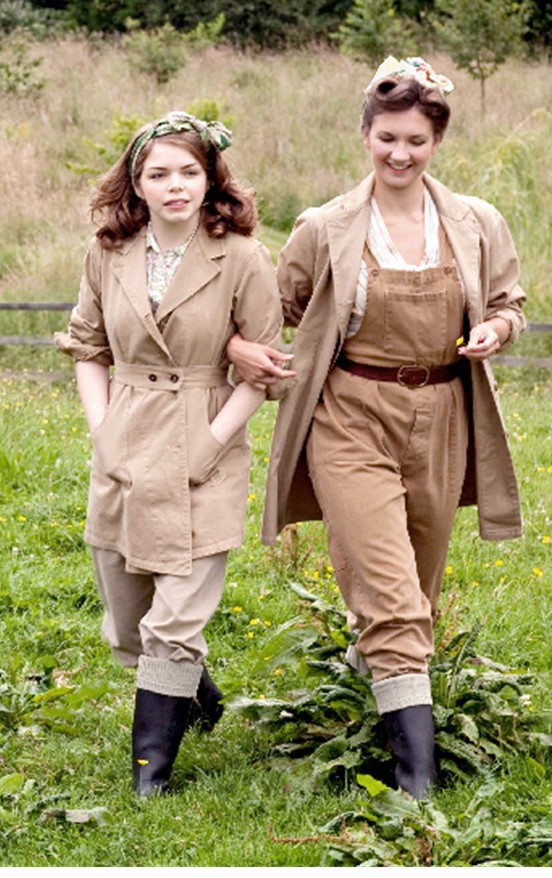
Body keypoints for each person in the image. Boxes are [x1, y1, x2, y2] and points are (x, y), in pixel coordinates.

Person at [227, 56, 525, 798]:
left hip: (444, 415)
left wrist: (496, 327)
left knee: (413, 592)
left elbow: (510, 301)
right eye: (387, 137)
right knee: (392, 599)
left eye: (416, 141)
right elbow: (273, 309)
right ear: (365, 133)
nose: (400, 154)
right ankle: (416, 781)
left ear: (437, 142)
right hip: (350, 414)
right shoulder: (324, 226)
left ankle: (377, 686)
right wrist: (239, 345)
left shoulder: (475, 221)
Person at [54, 111, 284, 796]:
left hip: (204, 431)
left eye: (189, 172)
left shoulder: (241, 256)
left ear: (211, 177)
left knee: (176, 618)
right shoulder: (108, 251)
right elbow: (88, 348)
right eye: (160, 174)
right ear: (138, 183)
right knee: (130, 624)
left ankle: (149, 779)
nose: (176, 186)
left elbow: (262, 371)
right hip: (126, 435)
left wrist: (212, 442)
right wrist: (103, 433)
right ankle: (199, 697)